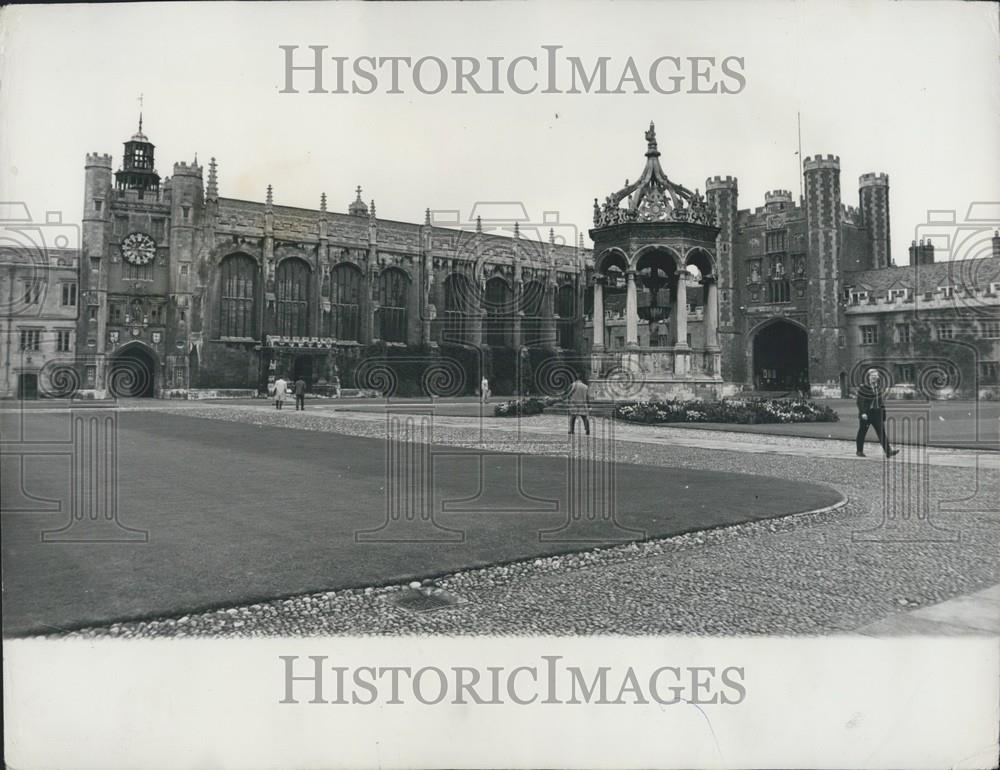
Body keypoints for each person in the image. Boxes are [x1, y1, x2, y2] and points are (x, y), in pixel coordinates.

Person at [856, 369, 899, 458]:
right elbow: (860, 402)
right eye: (872, 376)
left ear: (878, 377)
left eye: (876, 376)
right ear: (869, 377)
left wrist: (883, 414)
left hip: (877, 413)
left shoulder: (878, 387)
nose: (874, 378)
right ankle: (859, 451)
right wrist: (863, 413)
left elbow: (881, 402)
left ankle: (888, 451)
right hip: (867, 413)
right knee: (862, 432)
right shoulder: (864, 387)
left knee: (881, 432)